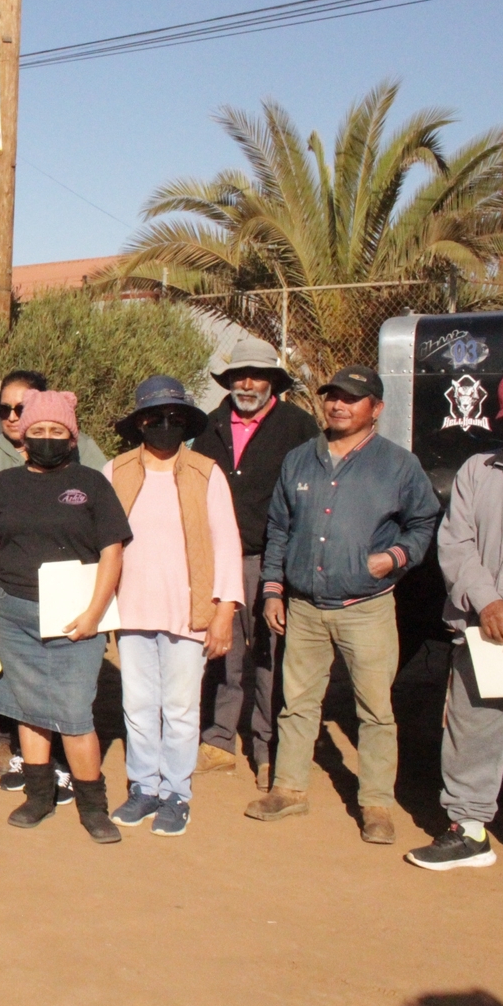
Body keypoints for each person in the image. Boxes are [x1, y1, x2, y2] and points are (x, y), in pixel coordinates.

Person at [245, 364, 440, 844]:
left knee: (374, 709)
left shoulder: (398, 464)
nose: (338, 404)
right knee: (297, 704)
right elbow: (279, 529)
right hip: (305, 606)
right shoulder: (299, 460)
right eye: (332, 395)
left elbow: (424, 523)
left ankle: (376, 803)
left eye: (351, 398)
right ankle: (289, 789)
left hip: (367, 606)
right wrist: (273, 588)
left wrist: (393, 557)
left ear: (376, 408)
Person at [0, 388, 130, 843]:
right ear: (24, 437)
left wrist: (95, 613)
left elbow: (112, 553)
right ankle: (39, 796)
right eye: (38, 430)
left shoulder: (92, 484)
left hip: (75, 617)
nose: (48, 438)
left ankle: (94, 805)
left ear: (72, 438)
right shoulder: (5, 485)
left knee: (75, 713)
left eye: (57, 431)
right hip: (13, 615)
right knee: (25, 708)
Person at [405, 364, 503, 870]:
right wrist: (489, 603)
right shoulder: (478, 472)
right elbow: (455, 543)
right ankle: (470, 831)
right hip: (484, 630)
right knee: (472, 732)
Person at [102, 377, 243, 836]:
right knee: (138, 704)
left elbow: (226, 545)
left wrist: (224, 611)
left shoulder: (206, 472)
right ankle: (144, 787)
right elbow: (101, 544)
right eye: (154, 417)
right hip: (133, 608)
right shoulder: (116, 470)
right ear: (139, 422)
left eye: (174, 417)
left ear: (185, 422)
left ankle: (176, 793)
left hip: (189, 611)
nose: (164, 425)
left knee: (181, 707)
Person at [190, 338, 320, 789]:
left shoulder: (299, 428)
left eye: (256, 376)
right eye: (238, 376)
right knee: (221, 652)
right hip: (218, 558)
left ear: (273, 382)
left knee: (270, 655)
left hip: (272, 559)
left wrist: (284, 570)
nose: (246, 384)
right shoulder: (209, 426)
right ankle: (219, 740)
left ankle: (269, 748)